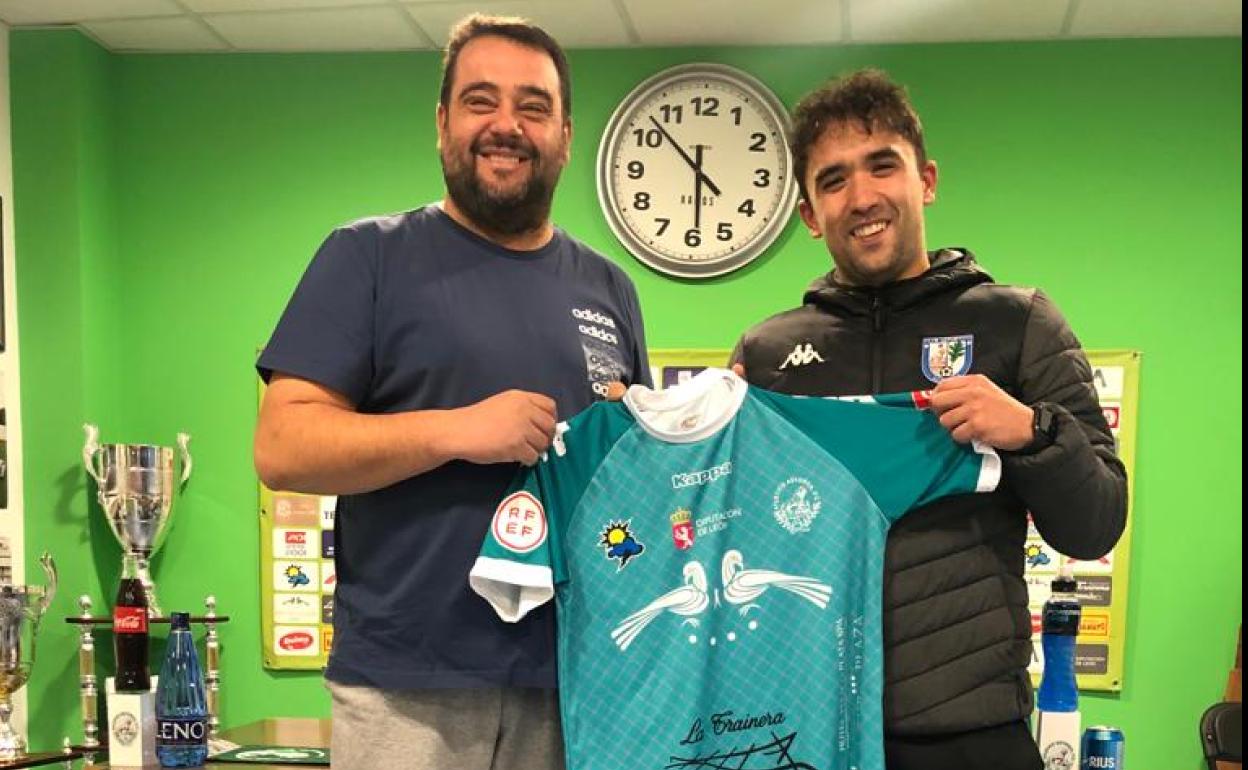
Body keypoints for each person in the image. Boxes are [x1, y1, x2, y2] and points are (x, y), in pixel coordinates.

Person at [253, 14, 650, 770]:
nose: (507, 125)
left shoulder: (610, 289)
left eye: (533, 107)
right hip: (406, 694)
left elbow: (631, 485)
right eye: (480, 101)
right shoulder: (366, 257)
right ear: (442, 124)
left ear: (566, 135)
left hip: (574, 686)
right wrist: (457, 432)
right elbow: (281, 446)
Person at [730, 69, 1127, 770]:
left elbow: (1096, 522)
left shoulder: (1017, 322)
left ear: (927, 180)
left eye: (883, 166)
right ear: (810, 215)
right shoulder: (765, 355)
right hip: (808, 723)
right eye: (833, 180)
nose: (863, 197)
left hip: (970, 728)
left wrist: (1032, 431)